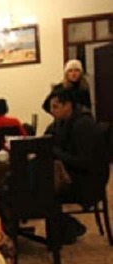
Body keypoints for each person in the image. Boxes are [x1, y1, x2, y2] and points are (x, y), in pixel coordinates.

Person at [46, 87, 107, 243]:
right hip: (77, 175)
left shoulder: (83, 125)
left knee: (44, 191)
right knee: (42, 185)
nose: (52, 111)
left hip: (88, 182)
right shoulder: (64, 122)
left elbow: (85, 162)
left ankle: (69, 228)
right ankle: (65, 229)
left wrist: (56, 152)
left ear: (68, 105)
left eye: (55, 107)